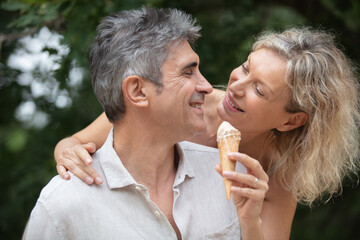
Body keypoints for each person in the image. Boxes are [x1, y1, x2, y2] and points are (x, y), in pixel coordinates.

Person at [54, 25, 360, 239]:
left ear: (291, 121)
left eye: (259, 90)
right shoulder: (182, 106)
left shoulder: (275, 172)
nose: (235, 86)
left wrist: (249, 221)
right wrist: (66, 152)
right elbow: (75, 143)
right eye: (245, 67)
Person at [23, 7, 267, 239]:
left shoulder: (234, 180)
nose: (206, 86)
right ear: (137, 91)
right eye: (188, 72)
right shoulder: (62, 206)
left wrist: (251, 225)